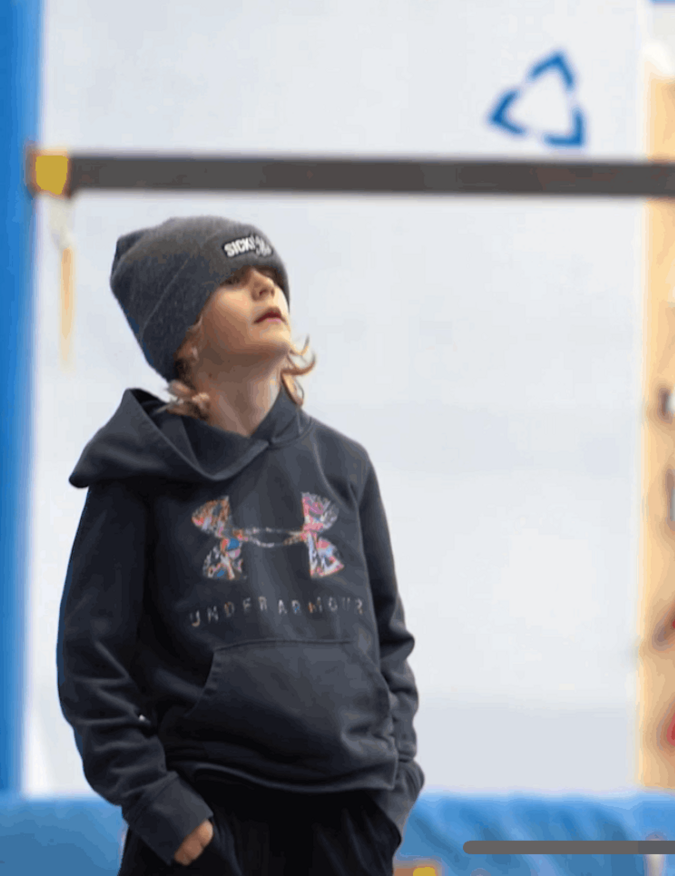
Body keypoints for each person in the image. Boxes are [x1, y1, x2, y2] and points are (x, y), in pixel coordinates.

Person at [57, 216, 423, 875]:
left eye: (271, 278)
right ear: (185, 336)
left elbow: (389, 649)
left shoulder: (345, 467)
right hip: (204, 824)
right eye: (233, 280)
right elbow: (91, 672)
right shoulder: (136, 474)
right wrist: (167, 813)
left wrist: (389, 801)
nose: (264, 287)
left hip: (346, 829)